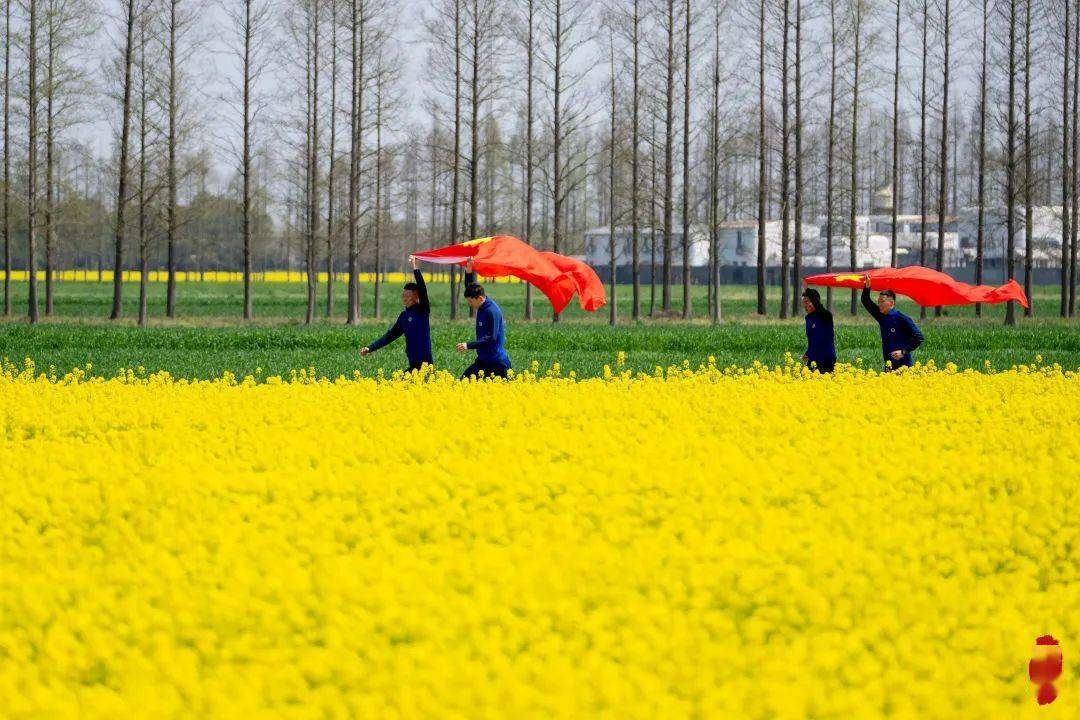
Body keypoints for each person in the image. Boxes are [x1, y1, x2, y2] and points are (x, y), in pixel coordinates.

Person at [359, 256, 433, 372]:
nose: (404, 298)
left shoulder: (422, 310)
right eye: (403, 295)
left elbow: (423, 289)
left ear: (416, 297)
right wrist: (370, 348)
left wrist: (414, 267)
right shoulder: (404, 317)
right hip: (413, 364)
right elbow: (390, 336)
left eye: (407, 296)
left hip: (425, 365)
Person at [456, 258, 511, 379]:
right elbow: (469, 287)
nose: (470, 304)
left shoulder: (492, 311)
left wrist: (468, 345)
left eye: (470, 301)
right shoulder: (481, 304)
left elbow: (491, 337)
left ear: (480, 298)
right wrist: (469, 270)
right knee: (463, 382)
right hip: (483, 360)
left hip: (497, 363)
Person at [860, 275, 924, 371]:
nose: (879, 304)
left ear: (891, 303)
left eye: (882, 301)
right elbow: (865, 300)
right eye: (878, 302)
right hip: (889, 366)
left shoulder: (902, 318)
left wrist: (903, 352)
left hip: (905, 367)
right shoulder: (881, 316)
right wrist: (867, 286)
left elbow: (919, 337)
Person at [801, 288, 836, 373]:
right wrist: (808, 353)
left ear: (814, 301)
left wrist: (807, 289)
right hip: (813, 360)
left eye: (807, 301)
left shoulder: (826, 316)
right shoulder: (808, 318)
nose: (805, 304)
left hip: (826, 361)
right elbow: (814, 339)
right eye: (804, 302)